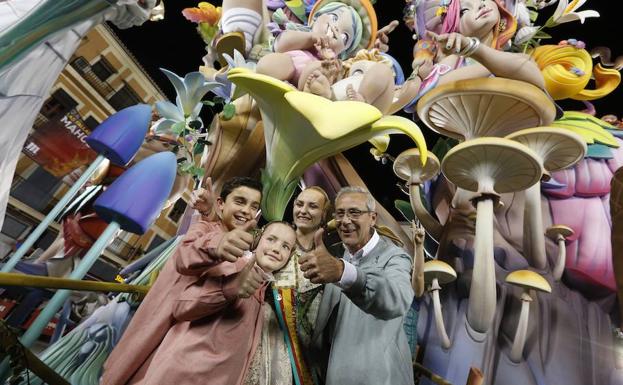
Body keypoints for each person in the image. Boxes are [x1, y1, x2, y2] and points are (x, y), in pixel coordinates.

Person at [100, 176, 262, 385]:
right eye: (240, 201)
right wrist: (218, 244)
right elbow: (187, 255)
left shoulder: (243, 255)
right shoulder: (204, 230)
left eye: (253, 206)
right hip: (162, 336)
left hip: (190, 355)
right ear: (221, 204)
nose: (246, 210)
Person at [124, 221, 297, 385]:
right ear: (257, 241)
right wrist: (229, 287)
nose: (276, 249)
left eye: (285, 246)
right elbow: (181, 307)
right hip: (181, 375)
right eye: (271, 239)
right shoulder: (231, 265)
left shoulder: (265, 297)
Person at [300, 186, 414, 385]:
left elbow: (398, 300)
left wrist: (344, 272)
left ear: (372, 218)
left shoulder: (395, 257)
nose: (345, 221)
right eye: (340, 213)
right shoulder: (334, 254)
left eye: (354, 212)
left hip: (380, 378)